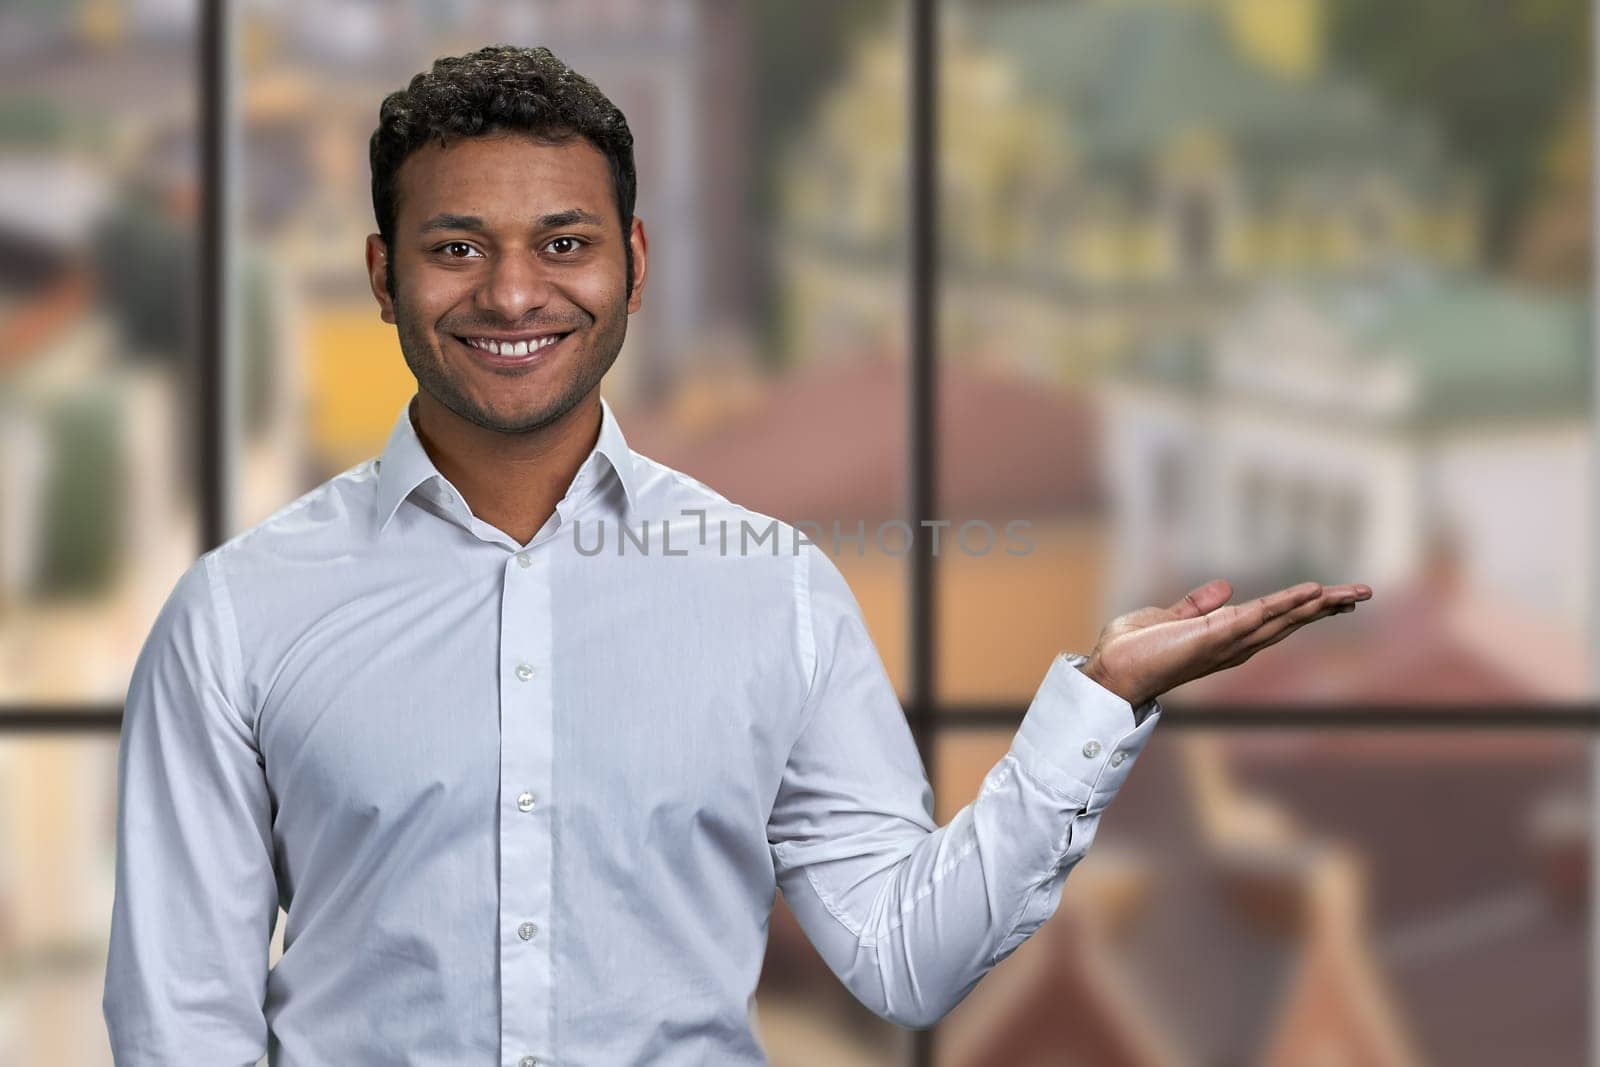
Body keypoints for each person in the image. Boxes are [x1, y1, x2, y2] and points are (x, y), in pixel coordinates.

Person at [102, 45, 1371, 1066]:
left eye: (562, 242)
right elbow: (180, 1023)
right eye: (454, 247)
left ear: (633, 266)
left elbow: (902, 958)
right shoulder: (240, 612)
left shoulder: (772, 588)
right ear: (384, 274)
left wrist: (1096, 703)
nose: (509, 293)